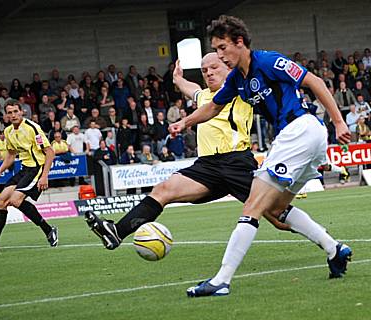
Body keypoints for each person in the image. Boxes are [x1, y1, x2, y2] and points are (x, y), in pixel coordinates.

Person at [86, 44, 351, 295]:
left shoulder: (241, 89)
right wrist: (178, 81)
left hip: (238, 163)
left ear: (228, 66)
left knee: (277, 217)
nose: (210, 71)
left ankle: (332, 246)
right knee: (164, 189)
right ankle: (116, 232)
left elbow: (285, 84)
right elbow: (192, 90)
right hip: (207, 167)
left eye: (214, 66)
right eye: (204, 70)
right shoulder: (205, 96)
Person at [169, 15, 352, 297]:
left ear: (239, 42)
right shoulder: (236, 81)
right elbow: (213, 108)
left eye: (222, 48)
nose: (220, 56)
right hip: (305, 139)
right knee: (276, 210)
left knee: (252, 206)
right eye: (216, 50)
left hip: (299, 131)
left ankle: (221, 280)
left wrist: (338, 121)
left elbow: (314, 81)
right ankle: (334, 249)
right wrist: (186, 122)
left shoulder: (267, 61)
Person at [0, 99, 58, 252]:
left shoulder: (32, 127)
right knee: (0, 201)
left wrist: (44, 176)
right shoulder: (8, 132)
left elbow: (50, 152)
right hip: (24, 169)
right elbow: (11, 155)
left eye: (15, 112)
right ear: (6, 115)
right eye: (9, 112)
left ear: (21, 112)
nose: (13, 115)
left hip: (37, 168)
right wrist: (0, 170)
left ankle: (48, 229)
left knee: (15, 200)